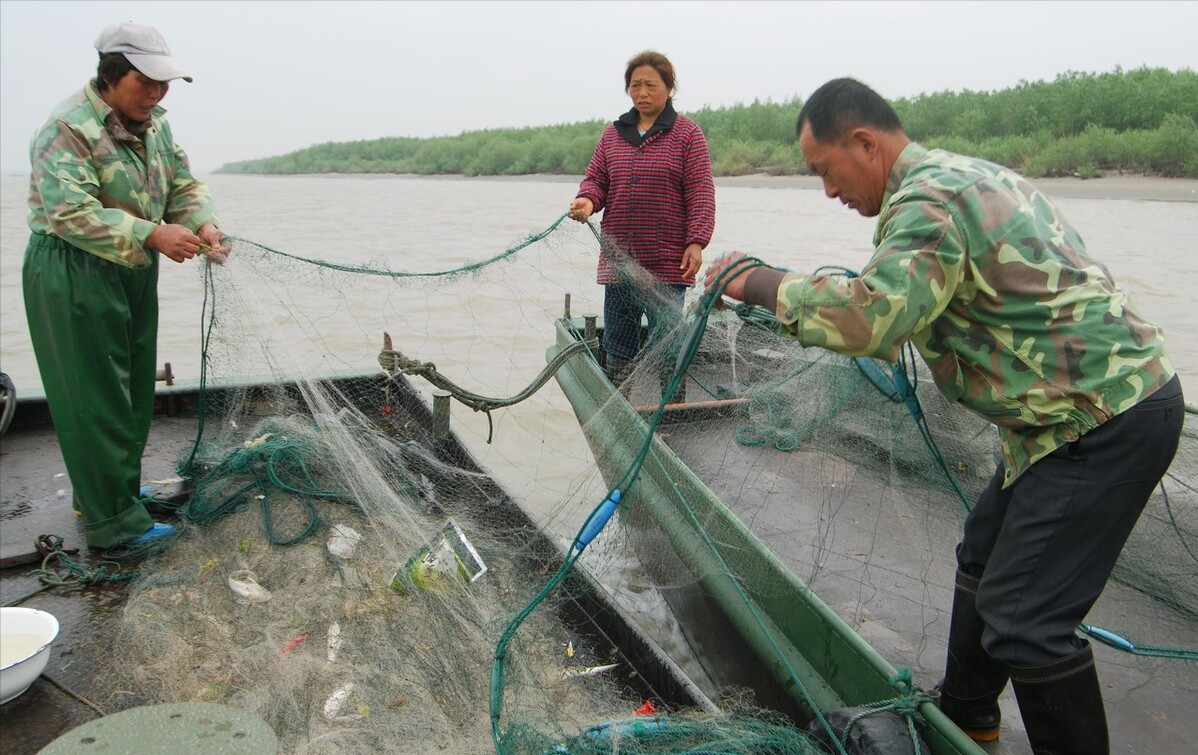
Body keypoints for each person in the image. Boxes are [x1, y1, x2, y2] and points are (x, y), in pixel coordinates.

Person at [705, 78, 1183, 755]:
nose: (828, 191)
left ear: (864, 143)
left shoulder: (930, 199)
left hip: (1103, 419)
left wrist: (757, 282)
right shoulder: (959, 175)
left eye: (824, 170)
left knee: (1025, 617)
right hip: (1058, 420)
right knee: (984, 555)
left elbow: (874, 316)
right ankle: (967, 720)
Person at [23, 22, 228, 550]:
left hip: (134, 264)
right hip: (74, 267)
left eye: (164, 84)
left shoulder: (154, 124)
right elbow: (68, 212)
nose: (157, 94)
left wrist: (202, 223)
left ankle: (112, 492)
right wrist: (151, 232)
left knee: (133, 388)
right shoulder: (67, 128)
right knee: (94, 396)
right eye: (145, 82)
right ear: (111, 76)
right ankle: (111, 524)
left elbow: (181, 183)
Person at [568, 50, 716, 401]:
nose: (642, 92)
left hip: (667, 263)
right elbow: (596, 180)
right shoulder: (613, 134)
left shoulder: (687, 134)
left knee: (669, 342)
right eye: (635, 85)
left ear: (668, 88)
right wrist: (587, 201)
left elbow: (701, 192)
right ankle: (620, 410)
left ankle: (671, 410)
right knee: (618, 342)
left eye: (651, 84)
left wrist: (696, 241)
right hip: (620, 261)